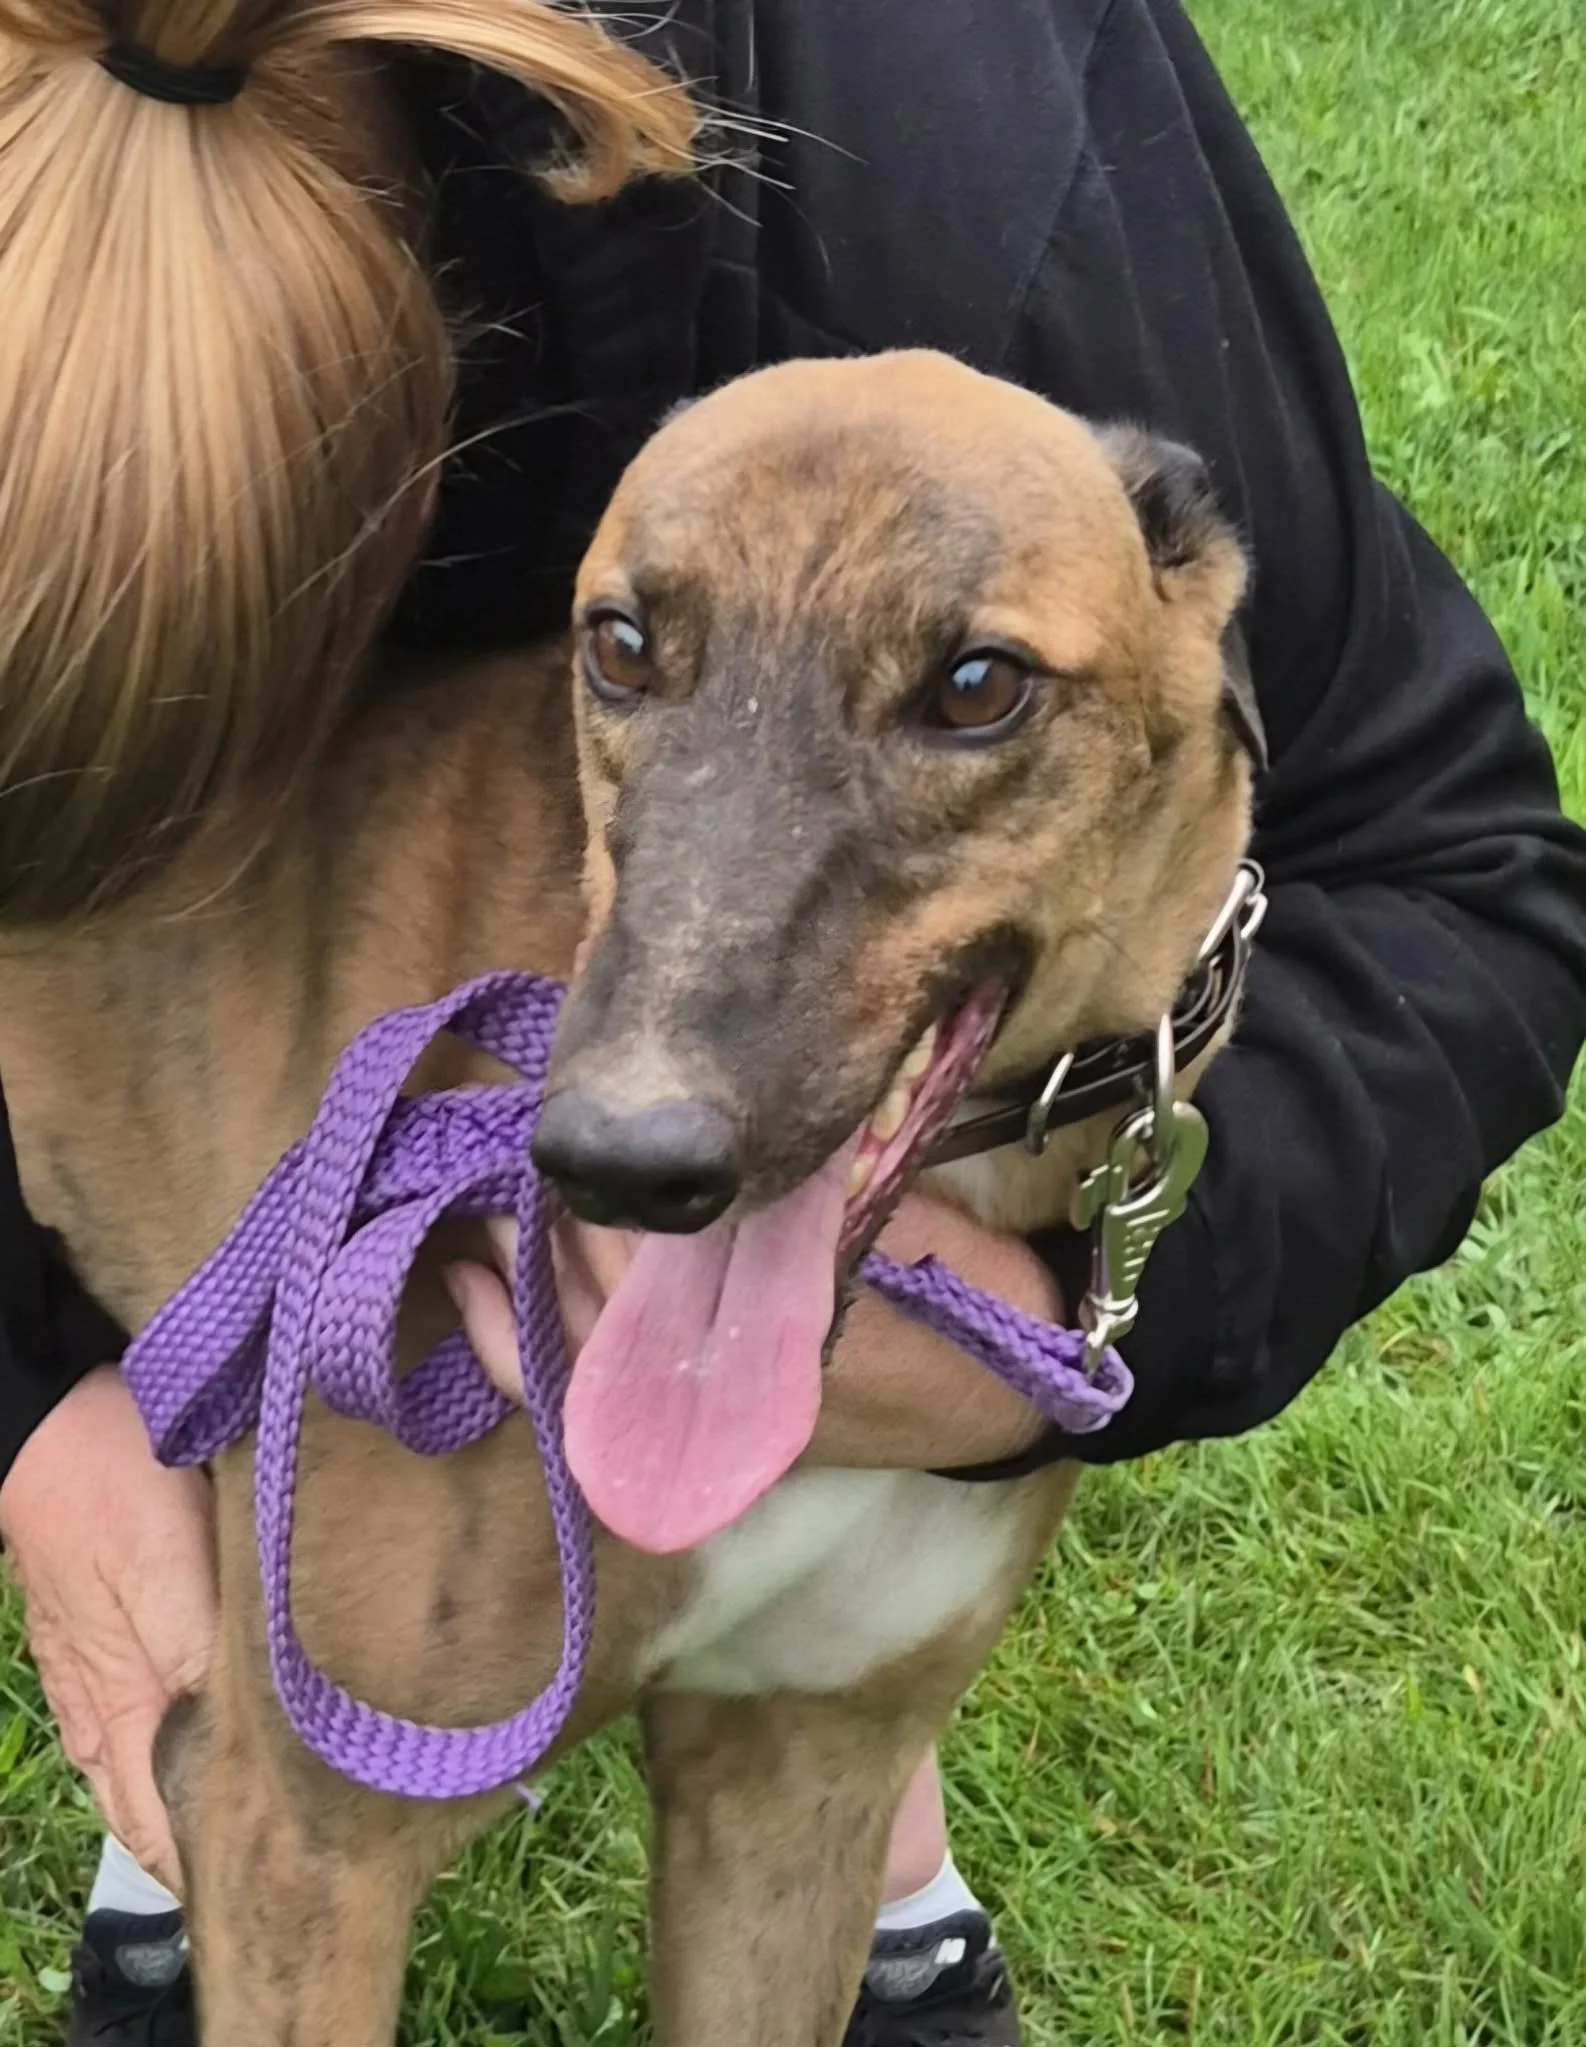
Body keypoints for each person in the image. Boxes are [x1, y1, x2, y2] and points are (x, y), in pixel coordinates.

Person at [0, 0, 1581, 2041]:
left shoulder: (970, 168)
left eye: (973, 692)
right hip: (272, 1008)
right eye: (622, 652)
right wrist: (33, 1401)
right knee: (308, 1787)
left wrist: (1074, 1321)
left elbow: (1462, 869)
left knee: (807, 1739)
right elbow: (305, 1834)